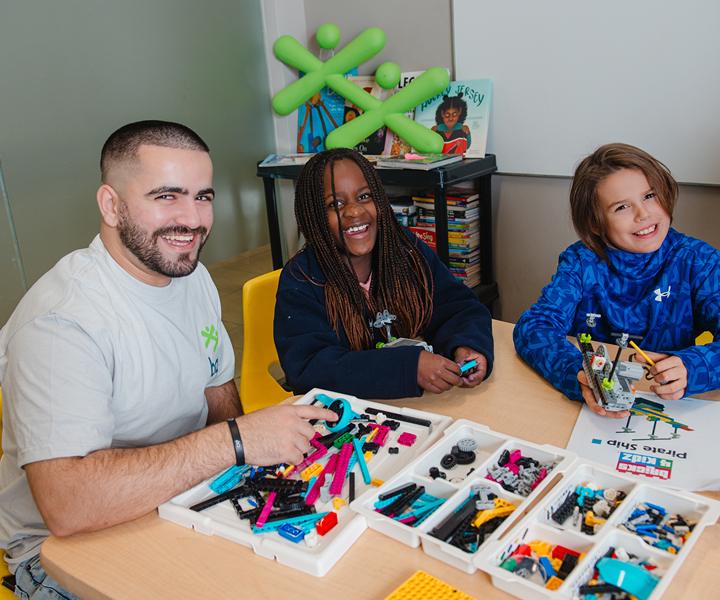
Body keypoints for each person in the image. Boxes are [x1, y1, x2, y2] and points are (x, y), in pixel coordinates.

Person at [0, 120, 335, 598]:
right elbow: (68, 506)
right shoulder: (61, 322)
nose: (194, 220)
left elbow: (217, 390)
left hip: (175, 497)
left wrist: (252, 468)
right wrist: (237, 441)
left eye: (203, 196)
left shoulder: (186, 274)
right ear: (111, 205)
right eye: (166, 196)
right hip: (60, 554)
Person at [513, 143, 720, 418]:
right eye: (622, 207)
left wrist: (694, 368)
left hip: (670, 404)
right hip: (589, 414)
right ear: (595, 223)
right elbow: (534, 327)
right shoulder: (581, 262)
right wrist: (580, 374)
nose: (643, 214)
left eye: (650, 196)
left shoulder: (699, 261)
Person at [274, 148, 494, 400]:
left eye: (364, 196)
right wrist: (408, 368)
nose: (354, 211)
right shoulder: (301, 279)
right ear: (312, 216)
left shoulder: (406, 252)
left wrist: (468, 345)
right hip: (347, 418)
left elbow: (458, 307)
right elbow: (309, 369)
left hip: (421, 409)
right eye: (335, 204)